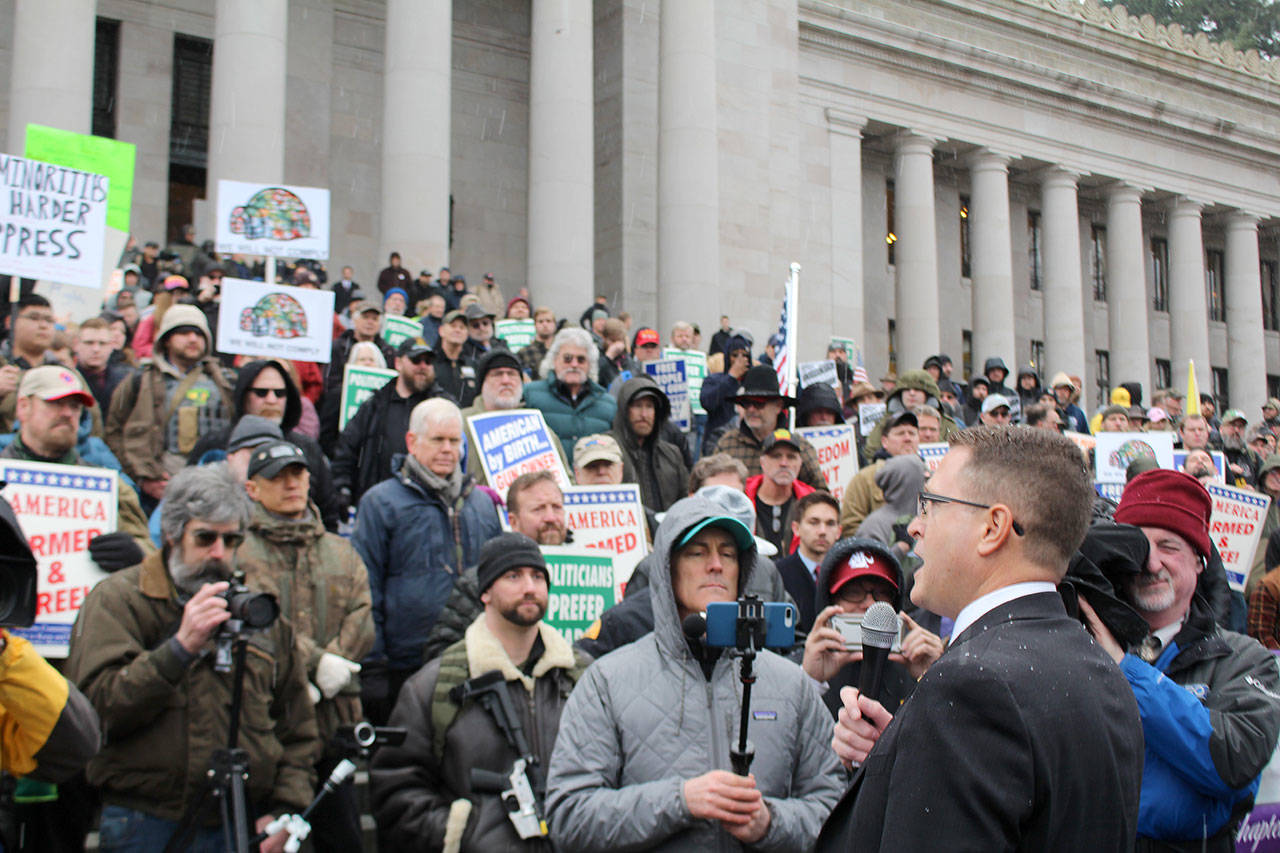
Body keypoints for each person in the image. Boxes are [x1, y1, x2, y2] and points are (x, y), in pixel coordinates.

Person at [817, 425, 1144, 851]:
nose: (915, 527)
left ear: (993, 527)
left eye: (930, 504)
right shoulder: (1100, 664)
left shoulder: (972, 687)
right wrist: (902, 755)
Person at [546, 495, 845, 851]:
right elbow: (568, 816)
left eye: (729, 554)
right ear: (667, 568)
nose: (716, 565)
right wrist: (681, 799)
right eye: (697, 552)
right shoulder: (607, 681)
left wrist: (770, 822)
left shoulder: (791, 684)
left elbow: (834, 811)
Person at [66, 464, 317, 853]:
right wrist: (179, 649)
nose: (219, 554)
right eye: (205, 538)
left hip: (241, 819)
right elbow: (96, 710)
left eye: (232, 541)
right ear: (171, 534)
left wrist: (287, 808)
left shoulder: (259, 612)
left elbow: (297, 726)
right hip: (147, 820)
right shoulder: (120, 601)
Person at [1083, 469, 1280, 850]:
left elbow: (1232, 762)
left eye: (1168, 546)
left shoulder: (1245, 659)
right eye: (1138, 548)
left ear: (1200, 559)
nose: (1151, 564)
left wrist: (1127, 670)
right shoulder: (1078, 644)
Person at [370, 532, 588, 849]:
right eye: (513, 576)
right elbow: (396, 789)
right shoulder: (434, 685)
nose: (529, 587)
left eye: (537, 576)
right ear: (485, 592)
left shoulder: (582, 675)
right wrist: (463, 835)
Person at [238, 440, 374, 853]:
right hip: (268, 728)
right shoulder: (239, 551)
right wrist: (317, 664)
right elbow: (260, 626)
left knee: (342, 837)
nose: (291, 483)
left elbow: (362, 616)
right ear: (252, 489)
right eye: (277, 477)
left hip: (334, 723)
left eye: (297, 474)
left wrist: (336, 664)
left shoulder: (340, 550)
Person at [352, 398, 502, 724]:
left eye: (454, 441)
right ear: (412, 442)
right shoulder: (380, 504)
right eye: (438, 440)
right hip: (405, 660)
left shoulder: (480, 504)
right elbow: (366, 587)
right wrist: (374, 663)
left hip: (473, 655)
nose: (448, 449)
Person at [4, 366, 154, 567]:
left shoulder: (107, 487)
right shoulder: (2, 476)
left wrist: (137, 553)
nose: (68, 413)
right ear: (23, 407)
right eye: (55, 403)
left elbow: (152, 557)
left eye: (75, 406)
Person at [420, 470, 571, 664]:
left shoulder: (594, 570)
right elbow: (442, 653)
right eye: (538, 509)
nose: (550, 517)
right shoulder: (480, 580)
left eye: (557, 507)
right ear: (513, 522)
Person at [187, 359, 341, 530]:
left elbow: (327, 512)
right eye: (261, 392)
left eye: (280, 393)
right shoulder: (214, 444)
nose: (272, 400)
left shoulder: (306, 448)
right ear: (243, 396)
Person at [104, 305, 234, 507]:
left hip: (215, 490)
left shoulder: (225, 381)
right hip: (157, 493)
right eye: (184, 332)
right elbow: (114, 431)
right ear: (166, 339)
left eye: (199, 333)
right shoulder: (139, 380)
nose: (192, 339)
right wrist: (141, 477)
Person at [801, 537, 943, 716]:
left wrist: (937, 676)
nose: (869, 604)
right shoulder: (804, 665)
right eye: (853, 592)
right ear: (829, 602)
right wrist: (810, 681)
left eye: (882, 593)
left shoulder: (914, 662)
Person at [332, 337, 450, 508]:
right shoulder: (374, 406)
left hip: (428, 505)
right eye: (416, 360)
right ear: (398, 363)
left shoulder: (442, 406)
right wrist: (343, 487)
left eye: (428, 361)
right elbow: (346, 450)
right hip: (379, 505)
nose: (423, 366)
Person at [715, 365, 825, 490]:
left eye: (758, 403)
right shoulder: (727, 444)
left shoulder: (799, 447)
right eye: (746, 403)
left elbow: (821, 495)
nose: (751, 409)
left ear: (778, 406)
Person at [523, 328, 616, 468]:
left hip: (591, 485)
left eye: (581, 359)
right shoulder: (530, 394)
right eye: (567, 358)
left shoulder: (608, 404)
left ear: (590, 365)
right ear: (554, 360)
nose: (574, 364)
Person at [610, 376, 688, 513]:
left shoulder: (671, 454)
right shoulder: (607, 448)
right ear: (624, 409)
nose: (644, 414)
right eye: (637, 405)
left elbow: (685, 502)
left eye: (649, 406)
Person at [840, 411, 919, 535]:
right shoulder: (864, 478)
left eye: (912, 433)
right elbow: (851, 526)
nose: (908, 438)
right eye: (900, 433)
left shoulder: (931, 477)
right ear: (884, 441)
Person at [774, 491, 841, 631]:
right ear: (796, 528)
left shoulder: (845, 574)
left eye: (830, 523)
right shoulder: (778, 574)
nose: (822, 531)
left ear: (839, 532)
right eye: (814, 522)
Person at [861, 369, 959, 460]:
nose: (911, 393)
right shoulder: (885, 422)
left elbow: (958, 454)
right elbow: (871, 452)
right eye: (907, 390)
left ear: (928, 394)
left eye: (917, 390)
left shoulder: (947, 424)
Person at [746, 428, 815, 555]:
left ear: (800, 463)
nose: (784, 463)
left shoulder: (812, 502)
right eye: (776, 456)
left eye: (791, 457)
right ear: (762, 462)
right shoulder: (742, 498)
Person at [698, 329, 753, 455]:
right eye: (735, 355)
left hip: (748, 444)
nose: (740, 360)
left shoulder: (754, 382)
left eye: (744, 355)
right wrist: (731, 378)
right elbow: (707, 403)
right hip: (718, 443)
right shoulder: (714, 380)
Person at [74, 317, 132, 412]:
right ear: (76, 344)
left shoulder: (127, 380)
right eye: (89, 343)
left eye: (102, 343)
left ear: (111, 346)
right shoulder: (68, 380)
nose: (96, 349)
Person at [433, 309, 479, 407]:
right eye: (453, 326)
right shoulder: (430, 362)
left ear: (467, 334)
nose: (457, 330)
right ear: (441, 331)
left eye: (462, 327)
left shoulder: (474, 365)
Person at [518, 306, 557, 380]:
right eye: (540, 321)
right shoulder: (524, 352)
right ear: (535, 325)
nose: (545, 324)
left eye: (548, 321)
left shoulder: (561, 350)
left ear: (555, 324)